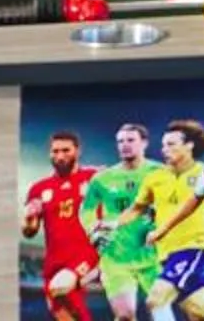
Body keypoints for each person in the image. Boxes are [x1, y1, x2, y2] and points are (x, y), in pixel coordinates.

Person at [137, 120, 204, 321]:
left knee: (156, 300)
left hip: (193, 248)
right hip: (166, 252)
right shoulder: (156, 177)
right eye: (163, 145)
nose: (165, 150)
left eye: (171, 144)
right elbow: (139, 208)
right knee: (199, 312)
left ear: (189, 145)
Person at [84, 122, 163, 321]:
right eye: (120, 141)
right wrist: (92, 230)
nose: (124, 145)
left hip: (154, 258)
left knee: (162, 314)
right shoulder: (103, 178)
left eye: (130, 140)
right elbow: (86, 210)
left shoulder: (161, 173)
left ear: (144, 143)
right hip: (116, 258)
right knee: (125, 316)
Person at [24, 130, 104, 321]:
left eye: (66, 150)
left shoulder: (94, 178)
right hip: (54, 260)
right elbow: (29, 232)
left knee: (59, 287)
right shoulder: (39, 188)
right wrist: (29, 218)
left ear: (78, 151)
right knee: (63, 314)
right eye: (55, 151)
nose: (60, 156)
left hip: (86, 254)